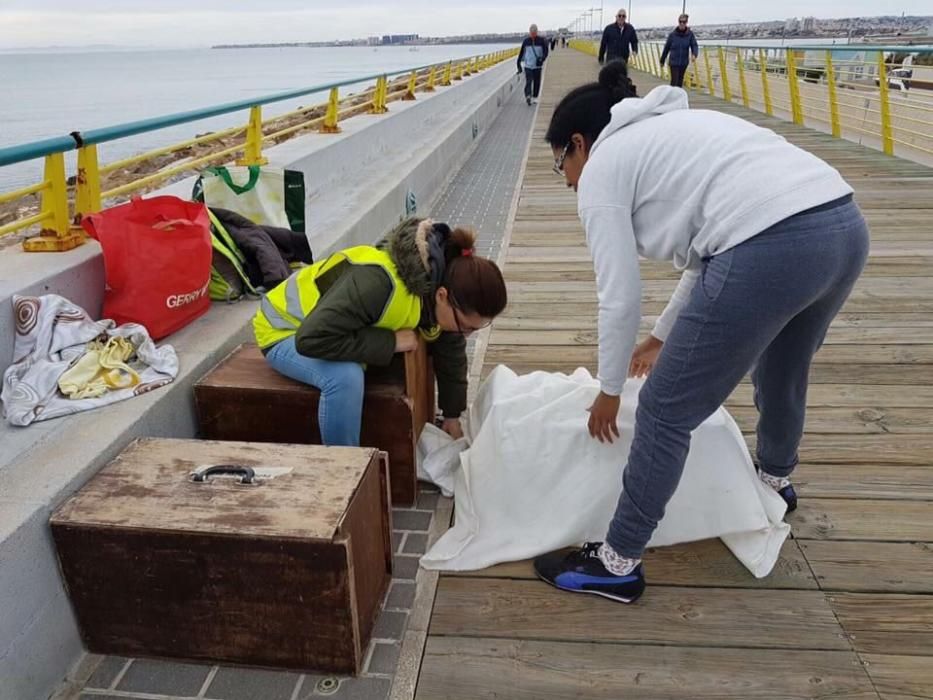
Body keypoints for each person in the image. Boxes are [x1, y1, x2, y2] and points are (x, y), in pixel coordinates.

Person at [534, 61, 868, 603]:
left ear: (579, 144)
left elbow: (619, 298)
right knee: (784, 368)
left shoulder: (602, 169)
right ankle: (774, 480)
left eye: (560, 165)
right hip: (842, 225)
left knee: (666, 410)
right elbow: (707, 253)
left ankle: (617, 563)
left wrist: (610, 390)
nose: (568, 179)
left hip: (774, 242)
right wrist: (662, 337)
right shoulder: (677, 132)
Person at [253, 218, 508, 446]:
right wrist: (389, 342)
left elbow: (449, 347)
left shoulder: (442, 281)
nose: (467, 335)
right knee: (345, 377)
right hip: (285, 330)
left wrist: (452, 415)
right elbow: (311, 340)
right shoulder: (378, 284)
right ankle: (346, 469)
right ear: (442, 296)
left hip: (334, 332)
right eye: (467, 327)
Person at [660, 14, 699, 87]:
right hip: (674, 62)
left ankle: (678, 97)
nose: (682, 23)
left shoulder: (690, 35)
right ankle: (672, 96)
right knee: (674, 81)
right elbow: (666, 48)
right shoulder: (672, 35)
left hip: (683, 62)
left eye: (684, 22)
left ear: (686, 23)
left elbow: (694, 45)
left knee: (680, 81)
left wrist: (694, 54)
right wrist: (662, 60)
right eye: (680, 22)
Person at [517, 24, 549, 105]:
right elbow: (521, 53)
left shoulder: (542, 41)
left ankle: (535, 97)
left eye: (534, 33)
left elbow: (546, 51)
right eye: (531, 33)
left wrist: (543, 58)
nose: (533, 34)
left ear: (536, 32)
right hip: (528, 65)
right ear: (529, 32)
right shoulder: (526, 41)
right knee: (529, 81)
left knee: (537, 82)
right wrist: (518, 64)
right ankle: (528, 95)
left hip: (537, 65)